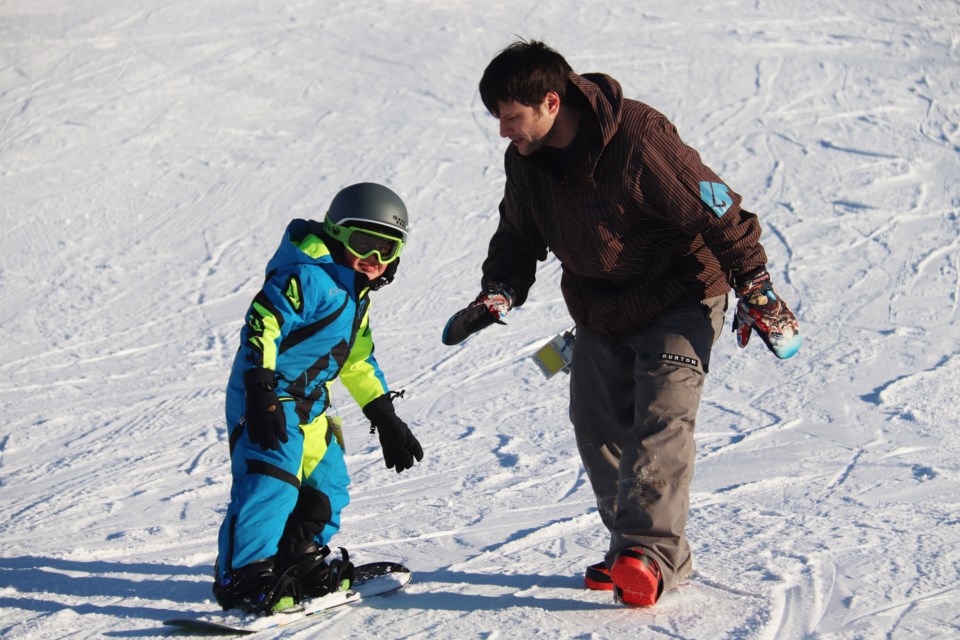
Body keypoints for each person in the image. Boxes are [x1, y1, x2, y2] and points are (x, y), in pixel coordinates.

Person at [442, 40, 800, 607]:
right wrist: (500, 291)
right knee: (597, 426)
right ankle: (646, 554)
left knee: (662, 420)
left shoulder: (637, 138)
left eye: (511, 118)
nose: (504, 132)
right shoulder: (526, 164)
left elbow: (719, 209)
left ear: (550, 102)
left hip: (680, 293)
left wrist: (755, 287)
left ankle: (646, 554)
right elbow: (518, 234)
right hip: (600, 306)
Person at [213, 182, 424, 615]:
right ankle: (245, 574)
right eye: (365, 243)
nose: (375, 259)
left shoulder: (354, 294)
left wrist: (385, 416)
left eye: (387, 249)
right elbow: (262, 322)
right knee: (271, 480)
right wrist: (259, 388)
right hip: (269, 397)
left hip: (311, 404)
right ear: (337, 233)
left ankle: (299, 558)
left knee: (328, 484)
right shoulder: (309, 276)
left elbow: (358, 360)